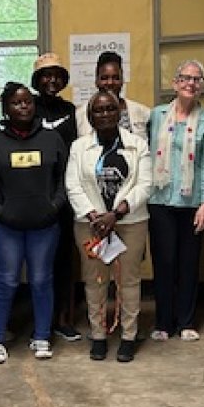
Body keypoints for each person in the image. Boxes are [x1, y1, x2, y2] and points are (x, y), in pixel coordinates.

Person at [0, 82, 68, 364]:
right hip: (7, 227)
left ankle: (41, 337)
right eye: (16, 103)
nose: (23, 107)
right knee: (6, 281)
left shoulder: (52, 139)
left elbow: (66, 179)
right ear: (5, 109)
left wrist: (55, 206)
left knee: (41, 280)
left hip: (44, 226)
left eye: (28, 102)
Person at [66, 89, 152, 363]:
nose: (105, 114)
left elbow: (145, 185)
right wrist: (95, 217)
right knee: (95, 282)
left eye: (110, 109)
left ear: (120, 114)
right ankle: (99, 335)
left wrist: (116, 214)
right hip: (90, 226)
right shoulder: (78, 147)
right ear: (90, 117)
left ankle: (128, 336)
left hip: (130, 223)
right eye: (98, 111)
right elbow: (73, 185)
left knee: (128, 282)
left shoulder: (137, 144)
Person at [147, 60, 204, 342]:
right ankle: (164, 323)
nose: (191, 83)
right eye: (186, 78)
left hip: (192, 203)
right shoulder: (157, 115)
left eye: (197, 79)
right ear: (175, 83)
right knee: (164, 263)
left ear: (201, 85)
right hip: (160, 200)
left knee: (189, 264)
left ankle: (186, 321)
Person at [29, 52, 81, 341]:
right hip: (34, 195)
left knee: (64, 259)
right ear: (37, 80)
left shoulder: (72, 110)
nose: (52, 80)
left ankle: (64, 319)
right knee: (38, 261)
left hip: (64, 196)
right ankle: (40, 322)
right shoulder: (27, 107)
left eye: (57, 75)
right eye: (46, 75)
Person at [76, 51, 151, 140]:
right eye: (104, 78)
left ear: (122, 80)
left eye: (115, 78)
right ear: (96, 81)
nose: (110, 82)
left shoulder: (143, 112)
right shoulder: (80, 115)